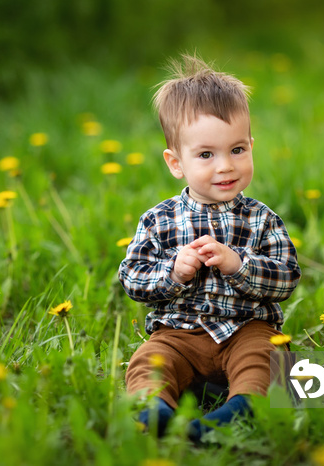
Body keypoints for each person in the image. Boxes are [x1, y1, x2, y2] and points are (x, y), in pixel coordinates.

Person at [118, 54, 301, 442]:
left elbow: (287, 278)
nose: (225, 167)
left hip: (245, 328)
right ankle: (153, 410)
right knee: (151, 361)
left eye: (237, 150)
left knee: (271, 357)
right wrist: (173, 273)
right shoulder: (158, 220)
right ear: (175, 162)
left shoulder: (261, 219)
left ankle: (241, 410)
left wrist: (240, 266)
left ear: (251, 145)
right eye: (206, 155)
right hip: (178, 333)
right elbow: (132, 278)